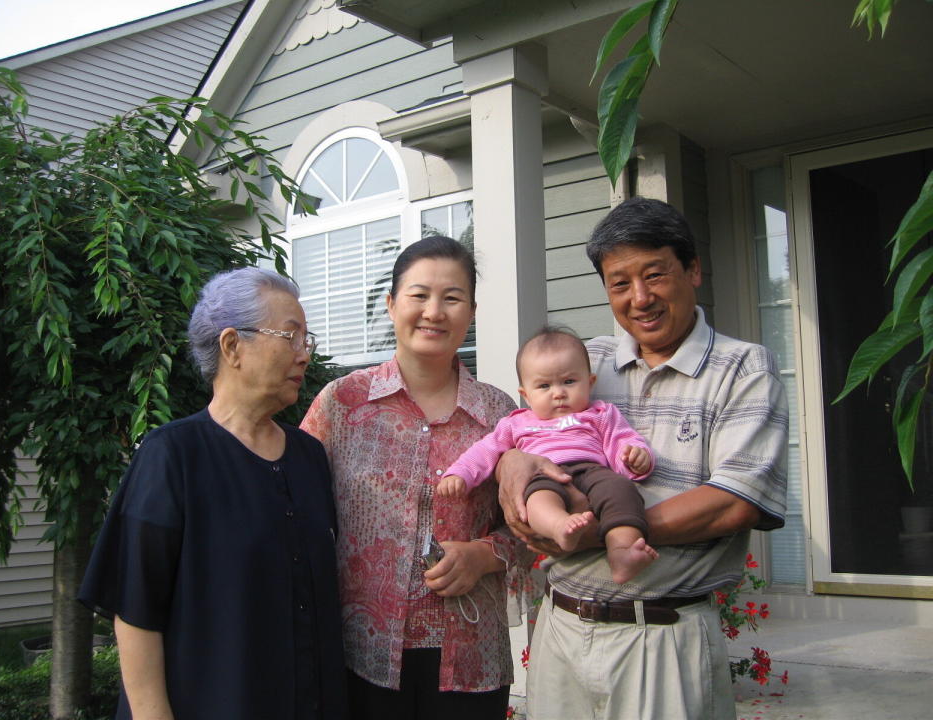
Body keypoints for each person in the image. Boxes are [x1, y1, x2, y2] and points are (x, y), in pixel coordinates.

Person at [497, 197, 788, 720]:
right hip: (561, 628)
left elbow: (733, 504)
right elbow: (522, 431)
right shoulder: (587, 362)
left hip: (661, 636)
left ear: (693, 269)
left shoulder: (743, 370)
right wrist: (511, 466)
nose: (639, 298)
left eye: (655, 274)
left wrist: (604, 532)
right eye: (618, 283)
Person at [79, 267, 347, 720]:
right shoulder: (172, 456)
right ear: (231, 346)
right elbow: (135, 609)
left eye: (308, 340)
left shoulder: (309, 456)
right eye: (290, 336)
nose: (304, 355)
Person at [300, 236, 532, 720]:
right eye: (419, 295)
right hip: (360, 654)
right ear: (390, 305)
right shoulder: (341, 404)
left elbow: (532, 523)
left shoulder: (501, 416)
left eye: (452, 297)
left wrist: (485, 554)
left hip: (470, 657)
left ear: (471, 310)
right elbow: (294, 509)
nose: (434, 311)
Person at [437, 326, 659, 584]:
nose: (558, 393)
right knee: (537, 500)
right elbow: (484, 451)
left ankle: (622, 554)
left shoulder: (600, 414)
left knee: (621, 490)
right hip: (541, 475)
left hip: (593, 471)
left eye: (569, 381)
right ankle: (559, 528)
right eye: (544, 386)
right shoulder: (516, 423)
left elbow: (622, 440)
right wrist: (460, 474)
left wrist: (635, 457)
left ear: (590, 382)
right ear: (526, 395)